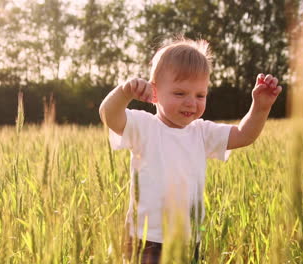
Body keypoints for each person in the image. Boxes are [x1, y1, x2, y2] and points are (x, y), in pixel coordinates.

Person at [98, 37, 282, 264]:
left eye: (200, 95)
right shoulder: (144, 126)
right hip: (146, 240)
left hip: (190, 239)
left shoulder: (202, 133)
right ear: (154, 92)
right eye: (179, 93)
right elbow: (108, 116)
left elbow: (244, 135)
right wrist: (125, 92)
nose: (191, 103)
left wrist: (260, 107)